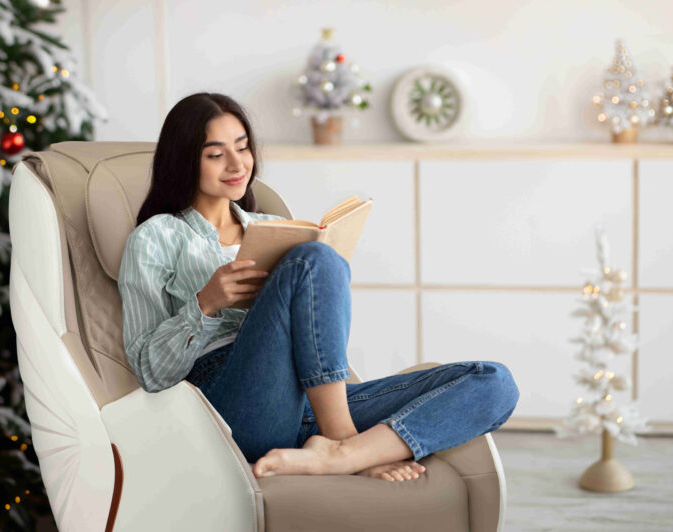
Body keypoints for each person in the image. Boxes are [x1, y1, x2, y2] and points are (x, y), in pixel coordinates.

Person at [118, 92, 520, 482]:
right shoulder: (156, 237)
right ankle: (344, 442)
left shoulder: (272, 227)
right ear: (186, 161)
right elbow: (148, 372)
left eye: (243, 148)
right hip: (232, 402)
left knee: (494, 382)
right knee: (317, 260)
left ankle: (341, 455)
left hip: (312, 401)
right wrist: (205, 305)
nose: (237, 164)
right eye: (216, 154)